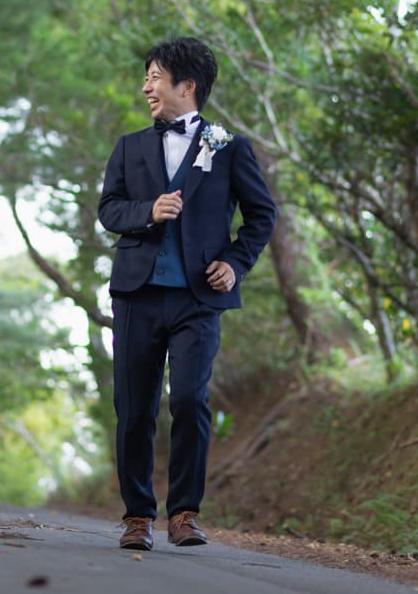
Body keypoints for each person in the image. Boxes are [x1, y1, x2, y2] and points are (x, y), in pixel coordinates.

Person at [97, 37, 276, 551]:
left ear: (187, 85)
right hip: (137, 293)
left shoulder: (229, 147)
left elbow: (261, 216)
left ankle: (184, 513)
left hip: (199, 298)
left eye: (155, 76)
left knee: (193, 400)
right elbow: (109, 209)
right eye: (147, 76)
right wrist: (147, 211)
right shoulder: (129, 146)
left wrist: (235, 264)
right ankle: (137, 516)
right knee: (134, 407)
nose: (146, 86)